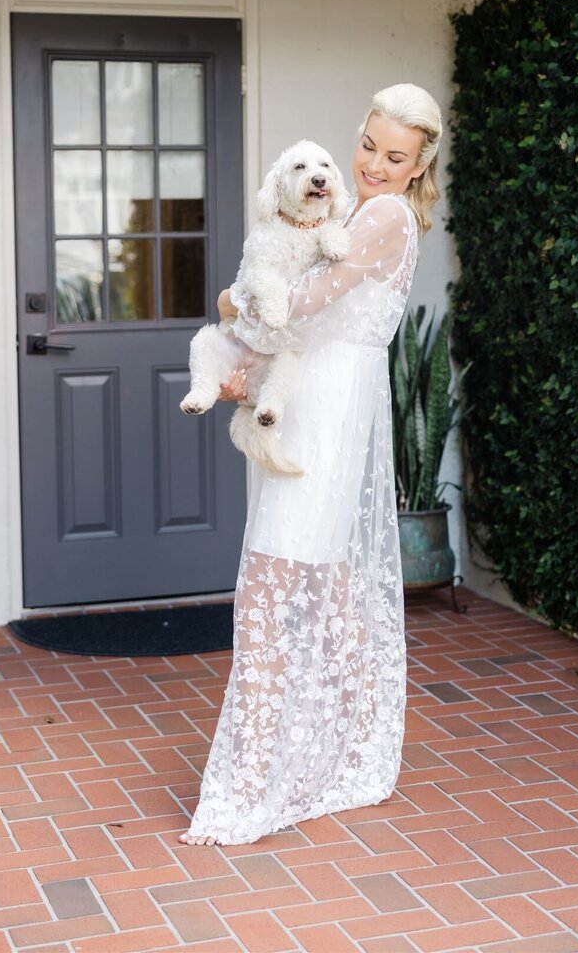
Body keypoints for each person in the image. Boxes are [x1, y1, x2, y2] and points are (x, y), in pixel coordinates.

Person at [178, 82, 443, 847]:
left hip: (325, 411)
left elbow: (300, 302)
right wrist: (247, 373)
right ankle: (337, 749)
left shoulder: (386, 216)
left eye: (395, 156)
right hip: (312, 393)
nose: (373, 164)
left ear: (420, 162)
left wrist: (232, 306)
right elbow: (305, 313)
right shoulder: (354, 214)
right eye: (368, 145)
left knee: (270, 587)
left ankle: (253, 781)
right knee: (315, 586)